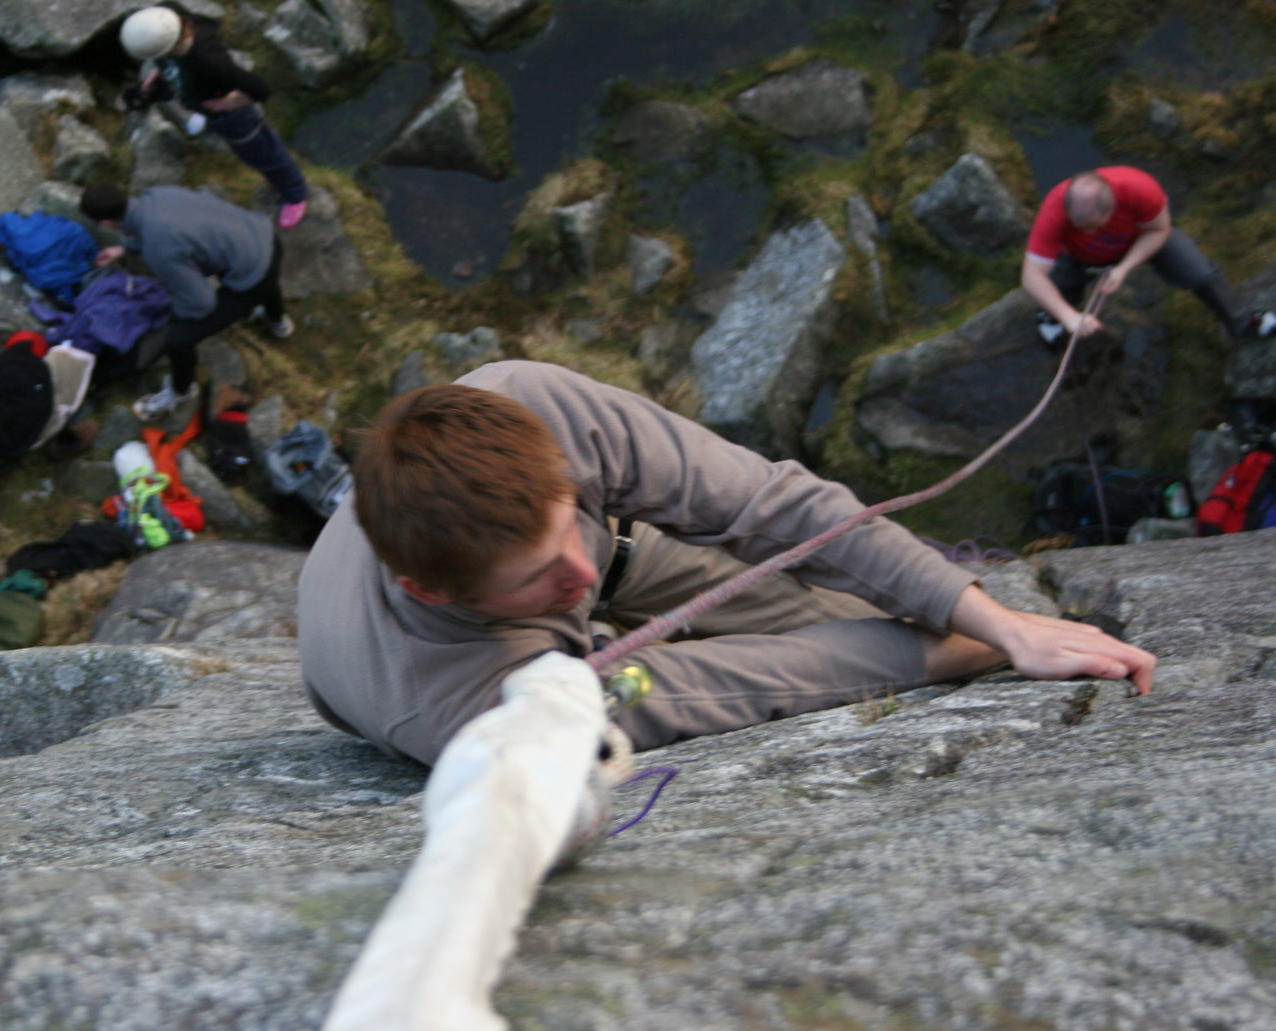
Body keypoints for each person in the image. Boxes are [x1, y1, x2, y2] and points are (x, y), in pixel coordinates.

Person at [297, 361, 1157, 766]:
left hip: (609, 560)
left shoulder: (529, 405)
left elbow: (776, 506)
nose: (576, 576)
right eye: (540, 575)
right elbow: (746, 681)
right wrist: (972, 653)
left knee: (917, 609)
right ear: (431, 587)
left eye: (570, 530)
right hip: (494, 659)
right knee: (905, 646)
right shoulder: (456, 708)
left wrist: (993, 616)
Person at [81, 181, 293, 422]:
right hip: (264, 237)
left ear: (106, 223)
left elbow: (203, 303)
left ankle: (181, 391)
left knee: (179, 340)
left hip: (254, 276)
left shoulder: (158, 245)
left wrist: (172, 306)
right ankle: (277, 322)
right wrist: (125, 249)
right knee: (262, 275)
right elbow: (165, 231)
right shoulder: (157, 195)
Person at [1022, 166, 1275, 346]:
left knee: (1201, 274)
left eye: (1095, 226)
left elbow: (1160, 229)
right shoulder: (1054, 210)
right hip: (1078, 256)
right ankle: (1051, 315)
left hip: (1141, 238)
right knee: (1060, 286)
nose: (1089, 233)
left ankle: (1243, 322)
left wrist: (1123, 269)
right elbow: (1032, 276)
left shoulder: (1139, 188)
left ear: (1112, 208)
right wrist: (1070, 317)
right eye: (1080, 227)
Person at [117, 3, 308, 229]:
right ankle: (206, 117)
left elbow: (260, 89)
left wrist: (229, 103)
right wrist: (162, 69)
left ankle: (295, 194)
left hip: (233, 117)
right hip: (202, 101)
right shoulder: (166, 15)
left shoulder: (210, 64)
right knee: (238, 139)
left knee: (262, 154)